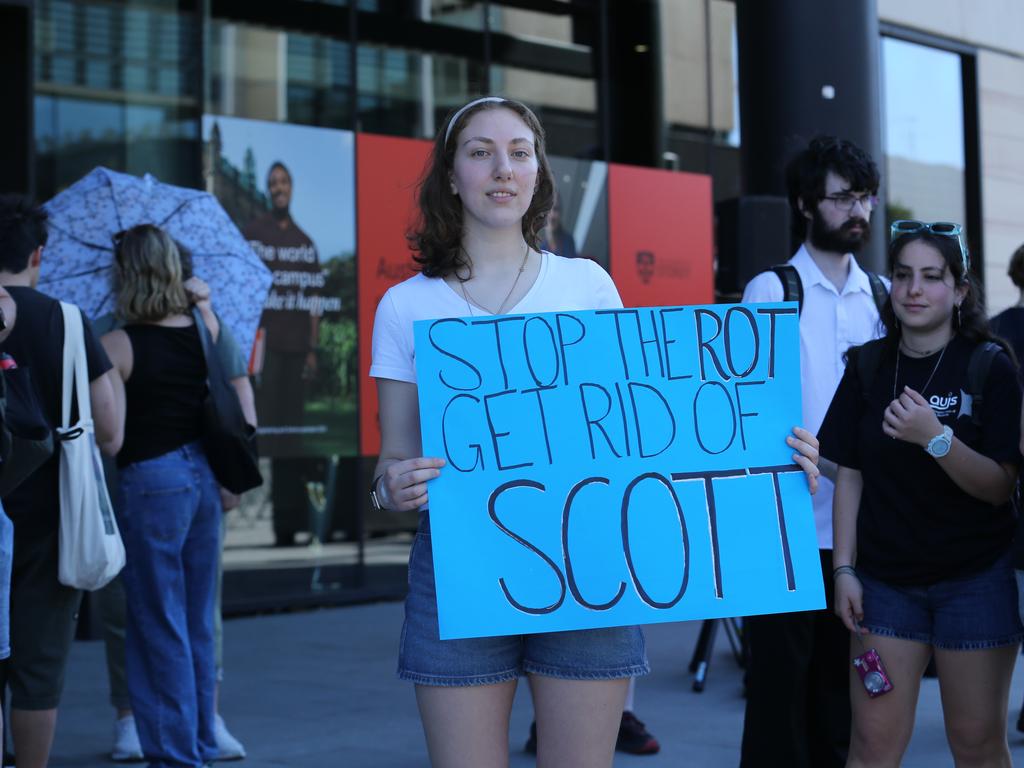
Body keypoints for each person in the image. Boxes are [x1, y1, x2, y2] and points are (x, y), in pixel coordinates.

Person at [369, 95, 821, 768]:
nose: (503, 168)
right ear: (451, 174)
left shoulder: (586, 285)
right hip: (464, 567)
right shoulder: (407, 305)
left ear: (538, 173)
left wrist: (765, 459)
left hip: (590, 566)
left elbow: (645, 435)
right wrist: (393, 489)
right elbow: (392, 465)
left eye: (520, 152)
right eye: (480, 151)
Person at [821, 220, 1022, 766]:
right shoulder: (867, 365)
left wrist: (935, 439)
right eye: (903, 275)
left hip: (974, 582)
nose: (914, 289)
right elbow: (851, 473)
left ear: (959, 291)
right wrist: (843, 569)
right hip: (885, 587)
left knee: (977, 745)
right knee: (872, 746)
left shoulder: (990, 366)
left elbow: (999, 486)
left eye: (932, 277)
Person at [739, 136, 885, 768]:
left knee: (840, 698)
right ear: (805, 203)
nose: (858, 210)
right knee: (775, 700)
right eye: (842, 197)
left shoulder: (883, 295)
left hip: (860, 533)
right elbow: (742, 414)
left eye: (866, 197)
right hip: (780, 527)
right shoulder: (770, 291)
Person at [93, 248, 251, 762]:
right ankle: (202, 740)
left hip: (153, 483)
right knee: (197, 621)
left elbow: (110, 439)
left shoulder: (115, 343)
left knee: (156, 624)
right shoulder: (200, 330)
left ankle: (175, 756)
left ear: (126, 277)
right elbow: (232, 391)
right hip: (203, 478)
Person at [0, 196, 121, 768]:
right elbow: (110, 431)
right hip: (54, 516)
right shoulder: (67, 321)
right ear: (37, 255)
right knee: (38, 669)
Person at [243, 161, 323, 545]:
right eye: (272, 182)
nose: (278, 188)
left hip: (296, 351)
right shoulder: (253, 234)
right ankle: (280, 523)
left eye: (283, 182)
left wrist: (312, 350)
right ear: (267, 188)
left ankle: (293, 522)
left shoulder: (305, 242)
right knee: (269, 435)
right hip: (265, 349)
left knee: (293, 438)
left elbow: (314, 302)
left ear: (291, 188)